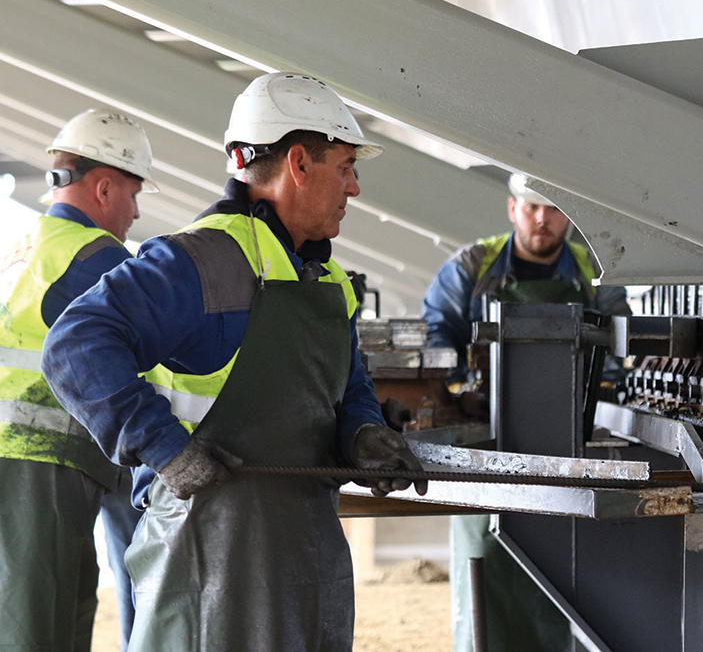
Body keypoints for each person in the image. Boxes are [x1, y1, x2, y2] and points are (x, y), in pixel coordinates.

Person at [41, 72, 427, 651]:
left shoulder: (327, 281)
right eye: (345, 167)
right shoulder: (196, 261)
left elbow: (349, 390)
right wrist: (162, 445)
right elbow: (74, 344)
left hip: (306, 558)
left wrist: (364, 433)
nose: (353, 188)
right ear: (298, 162)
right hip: (203, 561)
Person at [422, 173, 631, 652]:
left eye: (554, 209)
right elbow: (437, 333)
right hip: (486, 453)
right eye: (533, 207)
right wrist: (462, 388)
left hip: (571, 456)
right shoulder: (473, 267)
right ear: (513, 208)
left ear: (569, 217)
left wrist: (602, 394)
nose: (543, 219)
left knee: (569, 576)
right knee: (487, 566)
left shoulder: (594, 274)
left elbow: (619, 349)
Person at [0, 109, 157, 650]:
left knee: (37, 603)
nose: (137, 212)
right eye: (135, 194)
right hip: (38, 456)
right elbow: (157, 359)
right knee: (42, 615)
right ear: (105, 186)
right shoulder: (96, 259)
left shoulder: (27, 245)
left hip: (20, 456)